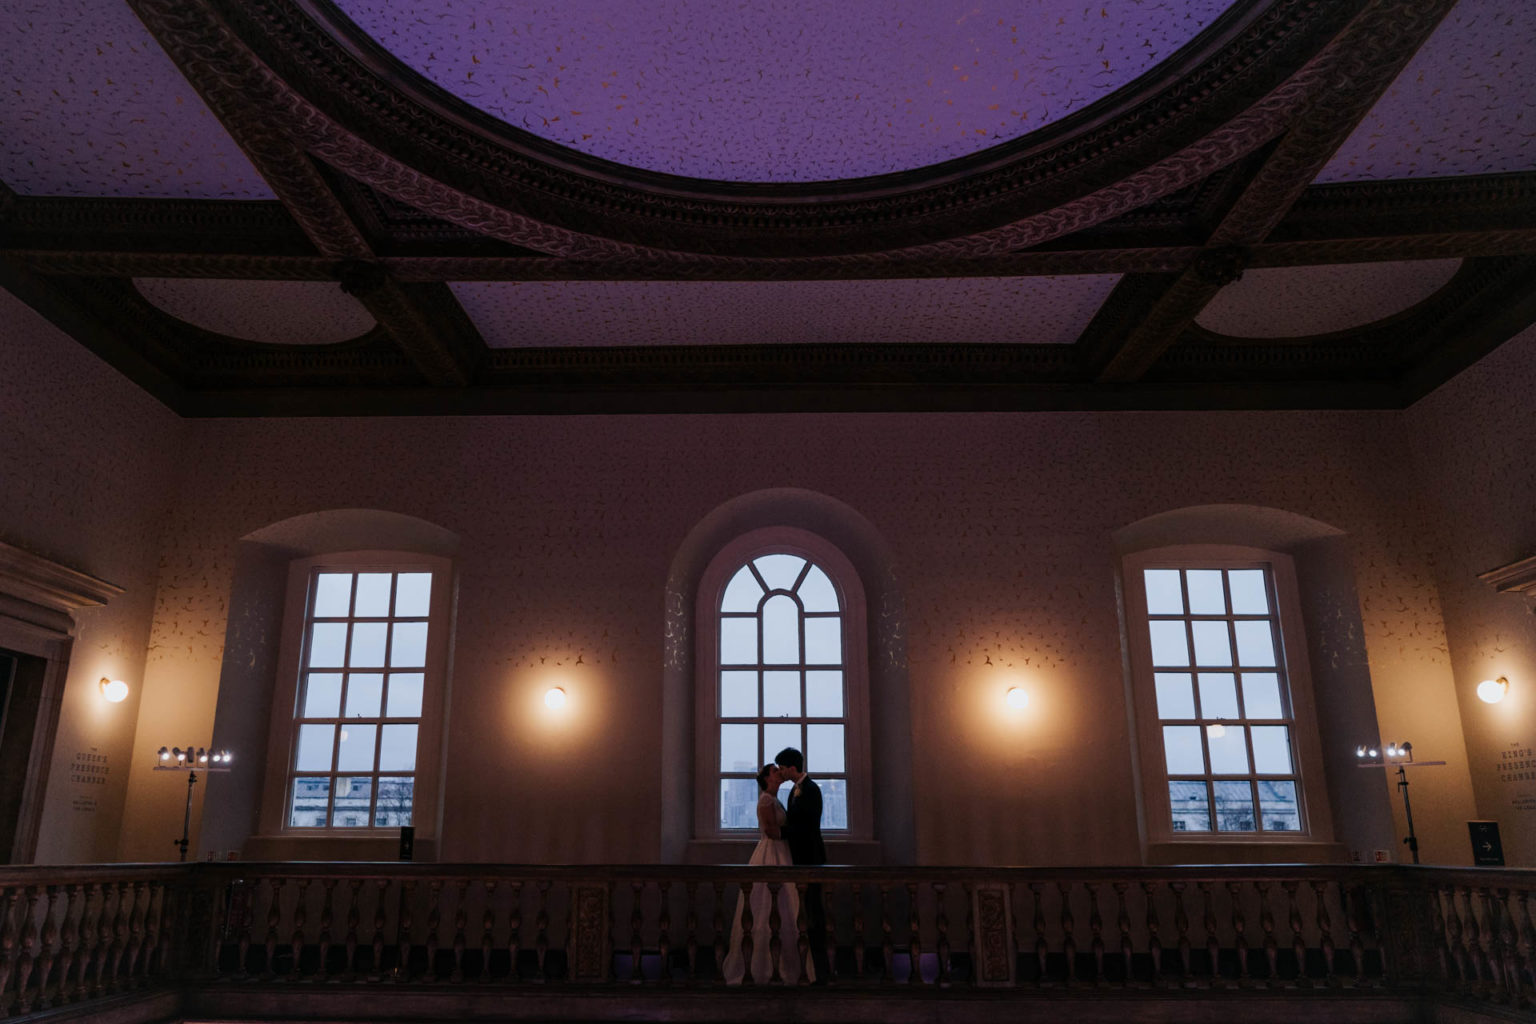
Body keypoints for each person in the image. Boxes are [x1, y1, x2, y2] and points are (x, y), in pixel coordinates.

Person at [721, 763, 810, 984]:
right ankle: (763, 967)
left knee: (787, 905)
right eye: (774, 771)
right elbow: (771, 830)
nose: (779, 772)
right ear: (767, 779)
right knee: (767, 905)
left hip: (783, 852)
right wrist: (795, 834)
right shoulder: (766, 800)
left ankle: (787, 965)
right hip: (772, 853)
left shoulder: (776, 798)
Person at [776, 746, 830, 984]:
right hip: (796, 858)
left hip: (811, 858)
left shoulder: (811, 790)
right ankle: (803, 965)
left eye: (782, 767)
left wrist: (779, 832)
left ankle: (821, 969)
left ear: (792, 767)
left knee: (814, 912)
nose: (780, 772)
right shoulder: (793, 791)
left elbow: (807, 826)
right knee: (801, 912)